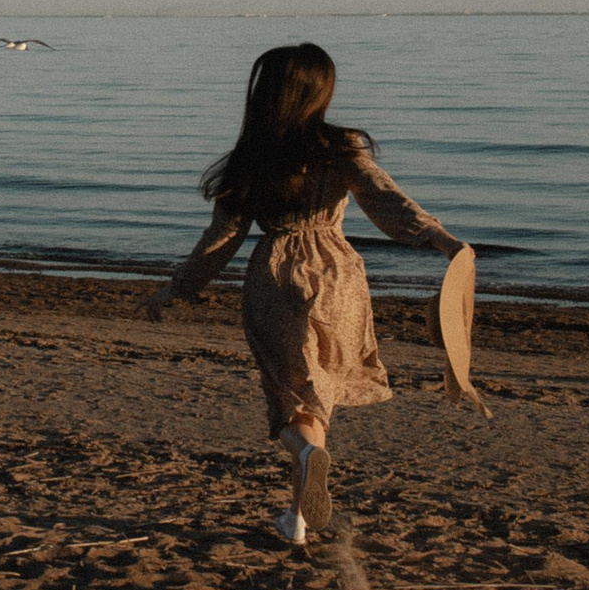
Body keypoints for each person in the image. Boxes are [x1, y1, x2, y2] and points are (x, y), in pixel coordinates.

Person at [142, 43, 486, 544]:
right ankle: (298, 521)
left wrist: (176, 289)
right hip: (339, 276)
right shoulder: (340, 146)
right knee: (318, 395)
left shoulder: (250, 158)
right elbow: (384, 199)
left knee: (289, 398)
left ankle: (303, 457)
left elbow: (220, 241)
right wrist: (440, 237)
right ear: (320, 91)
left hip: (276, 276)